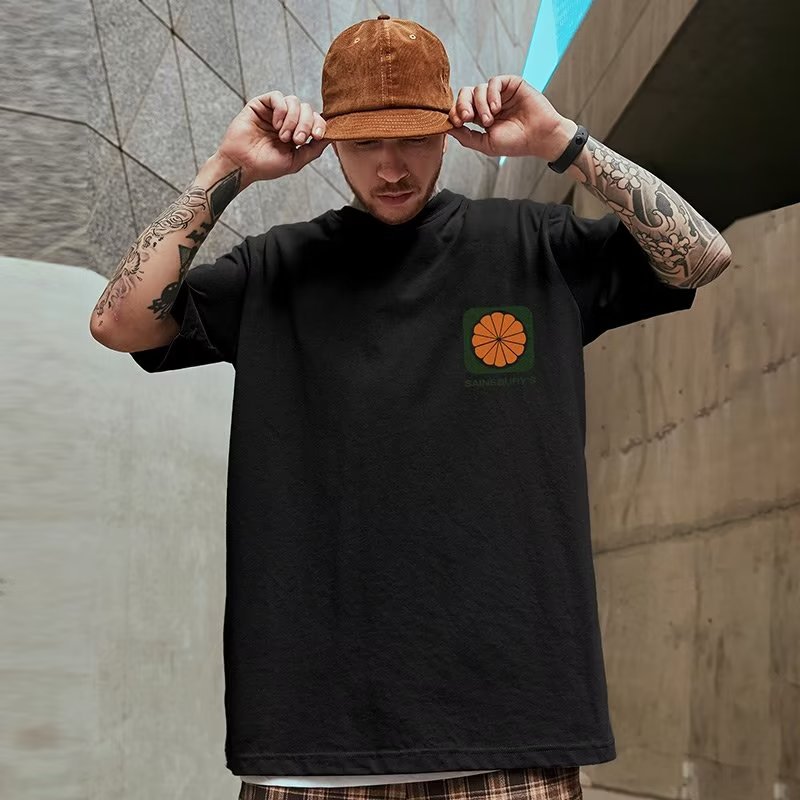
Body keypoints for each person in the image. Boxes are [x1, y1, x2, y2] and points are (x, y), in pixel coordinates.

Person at [89, 12, 731, 800]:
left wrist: (561, 142)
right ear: (329, 139)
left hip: (511, 735)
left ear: (448, 128)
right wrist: (227, 168)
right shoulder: (277, 268)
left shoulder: (536, 245)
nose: (391, 167)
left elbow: (702, 257)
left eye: (413, 140)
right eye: (365, 143)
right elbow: (120, 324)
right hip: (311, 746)